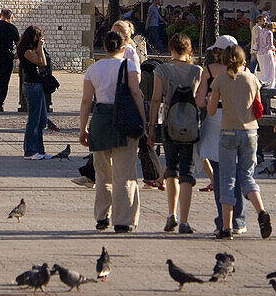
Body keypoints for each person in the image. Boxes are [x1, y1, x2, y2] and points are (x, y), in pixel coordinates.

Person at [79, 29, 145, 233]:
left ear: (104, 47)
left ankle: (101, 217)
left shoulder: (93, 69)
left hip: (100, 122)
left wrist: (83, 128)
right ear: (123, 48)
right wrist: (143, 121)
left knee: (102, 174)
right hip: (123, 122)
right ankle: (123, 220)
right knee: (124, 174)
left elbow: (86, 101)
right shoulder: (129, 66)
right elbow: (135, 93)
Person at [207, 43, 272, 239]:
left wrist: (212, 98)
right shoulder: (252, 79)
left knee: (227, 179)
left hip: (228, 131)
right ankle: (261, 211)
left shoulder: (220, 80)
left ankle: (226, 227)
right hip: (251, 131)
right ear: (243, 60)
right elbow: (258, 108)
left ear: (225, 61)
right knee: (247, 176)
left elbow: (211, 111)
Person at [147, 33, 202, 234]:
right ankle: (185, 221)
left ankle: (171, 215)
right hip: (191, 126)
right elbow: (200, 100)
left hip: (169, 125)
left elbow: (155, 100)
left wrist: (151, 127)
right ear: (188, 50)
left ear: (171, 49)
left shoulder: (161, 70)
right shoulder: (197, 71)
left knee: (171, 169)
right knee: (187, 171)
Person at [196, 36, 247, 235]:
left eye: (217, 51)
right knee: (237, 173)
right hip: (240, 122)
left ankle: (223, 220)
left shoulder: (209, 71)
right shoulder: (246, 72)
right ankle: (239, 219)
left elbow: (200, 101)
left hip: (216, 120)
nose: (215, 54)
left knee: (219, 175)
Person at [18, 25, 50, 159]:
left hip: (37, 85)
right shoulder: (26, 51)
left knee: (41, 119)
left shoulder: (31, 50)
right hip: (32, 85)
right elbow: (42, 62)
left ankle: (40, 149)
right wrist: (40, 48)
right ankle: (30, 150)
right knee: (34, 119)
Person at [0, 8, 20, 113]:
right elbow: (18, 44)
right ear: (10, 17)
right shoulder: (12, 28)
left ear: (0, 15)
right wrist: (16, 55)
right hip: (6, 55)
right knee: (4, 81)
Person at [255, 17, 276, 88]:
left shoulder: (260, 31)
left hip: (259, 53)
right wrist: (273, 48)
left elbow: (257, 41)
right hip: (267, 53)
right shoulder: (269, 33)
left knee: (263, 70)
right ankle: (270, 86)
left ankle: (261, 82)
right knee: (271, 70)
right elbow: (270, 45)